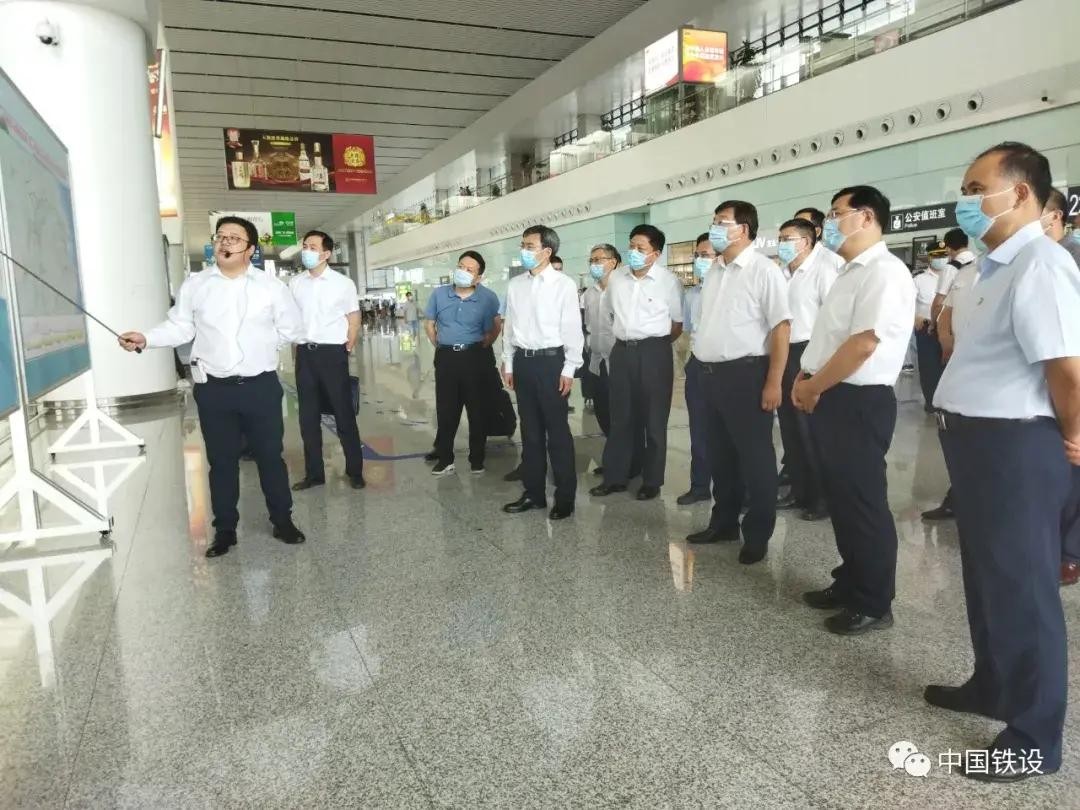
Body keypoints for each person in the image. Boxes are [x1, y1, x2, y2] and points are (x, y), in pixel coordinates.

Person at [925, 142, 1080, 783]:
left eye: (975, 188)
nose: (965, 201)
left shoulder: (1041, 263)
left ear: (1018, 193)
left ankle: (1035, 738)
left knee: (1022, 588)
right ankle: (992, 684)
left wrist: (1076, 433)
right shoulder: (993, 267)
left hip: (1016, 445)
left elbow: (1066, 365)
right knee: (987, 577)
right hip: (978, 443)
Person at [118, 216, 306, 558]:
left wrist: (263, 347)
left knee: (270, 457)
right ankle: (225, 530)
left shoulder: (271, 287)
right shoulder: (197, 285)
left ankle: (283, 520)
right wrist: (147, 338)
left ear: (250, 249)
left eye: (234, 238)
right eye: (221, 236)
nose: (225, 242)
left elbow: (292, 328)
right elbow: (180, 327)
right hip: (214, 390)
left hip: (260, 387)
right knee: (221, 462)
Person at [794, 186, 915, 635]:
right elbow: (830, 337)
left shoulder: (884, 272)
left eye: (835, 213)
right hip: (832, 394)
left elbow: (864, 343)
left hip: (858, 401)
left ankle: (874, 601)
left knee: (863, 503)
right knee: (843, 500)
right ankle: (850, 582)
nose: (828, 223)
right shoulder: (848, 272)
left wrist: (814, 385)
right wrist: (805, 375)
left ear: (865, 217)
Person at [686, 201, 790, 565]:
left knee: (755, 457)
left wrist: (774, 382)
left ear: (743, 229)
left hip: (746, 375)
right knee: (720, 455)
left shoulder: (764, 270)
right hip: (708, 374)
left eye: (722, 222)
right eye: (714, 221)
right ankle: (724, 523)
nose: (715, 227)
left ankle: (757, 534)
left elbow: (781, 328)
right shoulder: (715, 270)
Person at [591, 225, 683, 501]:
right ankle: (616, 477)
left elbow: (677, 324)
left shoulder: (668, 281)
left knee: (654, 420)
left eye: (641, 248)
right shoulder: (617, 278)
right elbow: (611, 314)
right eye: (631, 246)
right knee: (621, 417)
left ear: (655, 253)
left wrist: (653, 346)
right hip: (622, 351)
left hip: (654, 352)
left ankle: (651, 481)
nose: (634, 252)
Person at [501, 226, 583, 520]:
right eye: (522, 245)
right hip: (523, 362)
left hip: (552, 363)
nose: (524, 250)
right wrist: (509, 362)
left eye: (530, 246)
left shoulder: (563, 284)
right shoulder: (516, 285)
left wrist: (569, 368)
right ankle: (533, 493)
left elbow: (572, 329)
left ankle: (565, 497)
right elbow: (509, 327)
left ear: (547, 251)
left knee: (557, 432)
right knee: (530, 432)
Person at [289, 231, 365, 492]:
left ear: (326, 253)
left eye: (312, 247)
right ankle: (314, 474)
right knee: (308, 417)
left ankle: (355, 471)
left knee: (343, 413)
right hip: (305, 354)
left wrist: (348, 345)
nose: (306, 251)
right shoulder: (296, 283)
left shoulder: (343, 284)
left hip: (333, 353)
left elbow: (353, 317)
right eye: (305, 246)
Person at [775, 218, 837, 521]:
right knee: (790, 430)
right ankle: (799, 491)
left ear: (806, 241)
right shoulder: (782, 273)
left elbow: (833, 320)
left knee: (810, 430)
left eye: (787, 239)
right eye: (780, 239)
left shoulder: (823, 271)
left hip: (810, 352)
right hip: (784, 352)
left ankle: (823, 497)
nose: (782, 244)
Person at [424, 251, 500, 476]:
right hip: (446, 358)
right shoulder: (439, 294)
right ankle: (445, 459)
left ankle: (477, 459)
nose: (463, 272)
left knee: (477, 410)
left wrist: (481, 346)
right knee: (446, 410)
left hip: (475, 357)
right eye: (460, 266)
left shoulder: (488, 297)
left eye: (469, 269)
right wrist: (441, 344)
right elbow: (430, 324)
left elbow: (494, 327)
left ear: (478, 277)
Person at [921, 227, 979, 521]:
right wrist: (945, 337)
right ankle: (960, 497)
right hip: (962, 359)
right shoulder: (970, 269)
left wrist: (938, 331)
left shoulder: (954, 268)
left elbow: (939, 305)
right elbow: (946, 309)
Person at [1043, 188, 1080, 587]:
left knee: (1074, 459)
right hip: (1045, 376)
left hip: (1072, 368)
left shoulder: (1070, 255)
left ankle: (1070, 552)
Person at [677, 233, 716, 506]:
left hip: (727, 368)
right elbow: (687, 333)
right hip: (698, 365)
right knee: (698, 430)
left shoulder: (732, 290)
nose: (700, 260)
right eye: (698, 255)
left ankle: (743, 490)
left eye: (706, 255)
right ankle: (700, 484)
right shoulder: (692, 295)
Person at [582, 244, 620, 474]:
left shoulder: (622, 289)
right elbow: (588, 326)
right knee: (603, 413)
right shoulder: (589, 293)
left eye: (599, 259)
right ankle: (614, 460)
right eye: (592, 260)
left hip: (619, 364)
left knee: (622, 416)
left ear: (613, 262)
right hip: (597, 363)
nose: (594, 264)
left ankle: (625, 464)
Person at [913, 252, 946, 412]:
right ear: (931, 258)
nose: (941, 259)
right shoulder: (919, 280)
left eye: (943, 255)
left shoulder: (952, 275)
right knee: (929, 368)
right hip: (926, 329)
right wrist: (915, 317)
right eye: (937, 256)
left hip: (948, 328)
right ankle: (931, 403)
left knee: (947, 367)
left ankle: (946, 404)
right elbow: (906, 302)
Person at [930, 227, 978, 325]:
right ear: (967, 244)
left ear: (948, 248)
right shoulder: (979, 261)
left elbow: (939, 301)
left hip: (958, 321)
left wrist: (933, 323)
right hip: (978, 317)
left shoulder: (951, 267)